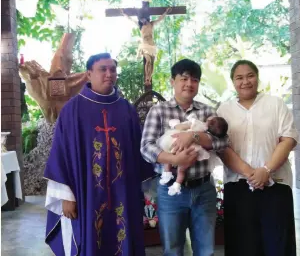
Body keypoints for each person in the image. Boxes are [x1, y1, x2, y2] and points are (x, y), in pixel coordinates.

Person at [44, 53, 154, 256]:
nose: (109, 74)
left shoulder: (126, 109)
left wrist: (145, 191)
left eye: (112, 69)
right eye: (103, 69)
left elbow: (139, 154)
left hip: (123, 194)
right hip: (85, 194)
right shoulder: (72, 110)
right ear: (88, 74)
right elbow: (61, 154)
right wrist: (66, 196)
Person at [140, 58, 229, 256]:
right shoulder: (159, 111)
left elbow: (223, 142)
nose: (189, 84)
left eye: (195, 80)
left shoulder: (207, 112)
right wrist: (175, 161)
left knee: (206, 249)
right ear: (173, 81)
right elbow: (146, 148)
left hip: (204, 189)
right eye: (184, 78)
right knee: (172, 249)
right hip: (170, 191)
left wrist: (195, 136)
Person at [217, 60, 299, 256]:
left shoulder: (276, 104)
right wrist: (251, 173)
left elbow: (288, 140)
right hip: (238, 187)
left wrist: (266, 170)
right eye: (239, 77)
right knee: (243, 244)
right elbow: (221, 147)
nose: (245, 81)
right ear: (233, 82)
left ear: (257, 78)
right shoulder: (224, 110)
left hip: (275, 184)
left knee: (278, 243)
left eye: (250, 76)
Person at [158, 115, 228, 196]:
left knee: (169, 154)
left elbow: (223, 143)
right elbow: (146, 148)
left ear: (210, 122)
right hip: (190, 150)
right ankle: (177, 184)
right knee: (181, 170)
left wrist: (190, 134)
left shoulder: (200, 124)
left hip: (202, 185)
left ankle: (167, 173)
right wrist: (175, 159)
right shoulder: (207, 133)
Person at [121, 7, 172, 85]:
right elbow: (130, 19)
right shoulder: (140, 25)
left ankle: (149, 78)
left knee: (152, 63)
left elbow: (160, 18)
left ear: (146, 18)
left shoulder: (152, 24)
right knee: (148, 61)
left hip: (152, 46)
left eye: (143, 19)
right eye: (141, 19)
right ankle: (146, 78)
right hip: (145, 45)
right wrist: (124, 13)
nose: (142, 21)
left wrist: (166, 12)